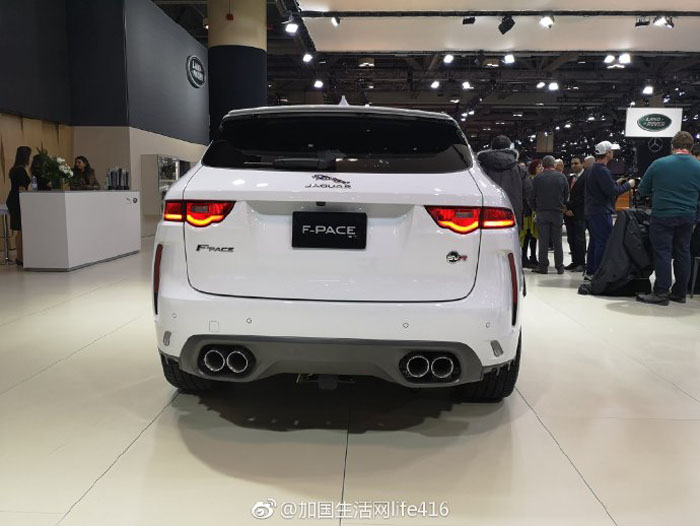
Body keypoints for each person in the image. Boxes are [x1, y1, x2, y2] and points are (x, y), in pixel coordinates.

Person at [636, 131, 700, 305]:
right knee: (683, 252)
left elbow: (643, 189)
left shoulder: (659, 164)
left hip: (663, 214)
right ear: (691, 147)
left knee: (662, 252)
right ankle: (680, 293)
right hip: (688, 216)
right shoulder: (698, 166)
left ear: (672, 146)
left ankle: (661, 292)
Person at [584, 141, 635, 279]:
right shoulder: (602, 170)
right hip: (601, 211)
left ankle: (591, 271)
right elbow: (612, 192)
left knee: (595, 242)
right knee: (603, 242)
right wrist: (628, 185)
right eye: (611, 151)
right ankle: (599, 273)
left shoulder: (593, 169)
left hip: (593, 211)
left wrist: (615, 183)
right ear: (607, 153)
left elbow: (602, 188)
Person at [477, 135, 533, 230]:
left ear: (492, 147)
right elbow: (528, 192)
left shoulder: (481, 168)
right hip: (513, 211)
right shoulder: (519, 170)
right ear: (509, 147)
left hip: (487, 211)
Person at [530, 155, 569, 274]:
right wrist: (561, 205)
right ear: (554, 164)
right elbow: (566, 195)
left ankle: (543, 267)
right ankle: (559, 267)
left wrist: (535, 208)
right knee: (558, 241)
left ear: (543, 165)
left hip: (542, 212)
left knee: (543, 241)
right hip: (557, 213)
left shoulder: (537, 178)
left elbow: (531, 197)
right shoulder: (562, 177)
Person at [5, 146, 32, 265]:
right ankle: (20, 257)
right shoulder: (20, 170)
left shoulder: (14, 169)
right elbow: (21, 188)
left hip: (13, 199)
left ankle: (20, 256)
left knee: (20, 229)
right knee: (21, 229)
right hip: (17, 200)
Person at [564, 156, 589, 272]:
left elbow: (584, 197)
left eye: (576, 163)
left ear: (582, 164)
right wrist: (566, 208)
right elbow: (565, 195)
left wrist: (570, 207)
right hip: (568, 213)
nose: (573, 166)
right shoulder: (569, 178)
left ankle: (581, 263)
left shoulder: (586, 178)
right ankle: (574, 262)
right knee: (571, 238)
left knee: (579, 239)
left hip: (579, 212)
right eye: (572, 164)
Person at [521, 159, 542, 268]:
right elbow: (528, 197)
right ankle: (524, 258)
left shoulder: (539, 179)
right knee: (527, 236)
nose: (541, 168)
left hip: (534, 211)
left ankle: (533, 257)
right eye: (538, 166)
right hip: (528, 213)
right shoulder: (529, 179)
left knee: (534, 237)